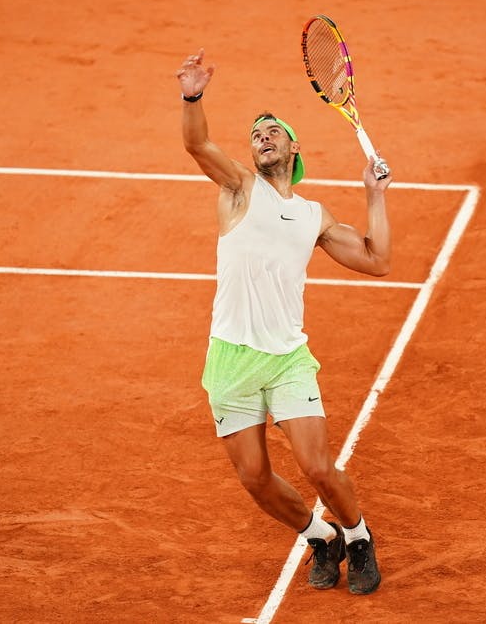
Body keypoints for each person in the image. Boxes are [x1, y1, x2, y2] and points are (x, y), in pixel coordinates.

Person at [176, 48, 391, 595]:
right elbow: (197, 143)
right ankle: (321, 537)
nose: (263, 137)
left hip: (288, 357)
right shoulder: (238, 190)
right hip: (230, 356)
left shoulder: (314, 216)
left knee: (318, 467)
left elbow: (377, 261)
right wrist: (193, 95)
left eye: (274, 131)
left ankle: (359, 536)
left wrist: (374, 194)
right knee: (253, 479)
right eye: (257, 134)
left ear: (294, 148)